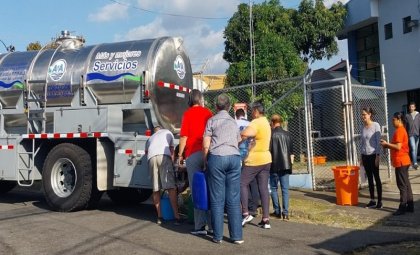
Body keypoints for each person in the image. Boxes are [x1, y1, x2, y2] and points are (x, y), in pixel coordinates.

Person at [203, 94, 243, 244]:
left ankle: (218, 236)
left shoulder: (211, 121)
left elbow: (206, 144)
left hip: (217, 158)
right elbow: (238, 141)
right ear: (228, 106)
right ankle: (237, 237)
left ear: (216, 107)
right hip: (233, 157)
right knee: (233, 198)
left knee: (217, 198)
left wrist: (205, 161)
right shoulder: (233, 122)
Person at [178, 89, 213, 235]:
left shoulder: (187, 114)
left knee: (196, 190)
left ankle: (199, 226)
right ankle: (212, 226)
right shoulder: (208, 112)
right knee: (210, 189)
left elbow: (184, 137)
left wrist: (180, 155)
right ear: (200, 99)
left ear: (190, 100)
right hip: (208, 153)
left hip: (192, 154)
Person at [240, 101, 272, 229]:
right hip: (266, 159)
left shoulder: (256, 122)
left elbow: (245, 134)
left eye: (252, 111)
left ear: (256, 111)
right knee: (263, 188)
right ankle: (266, 219)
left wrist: (240, 138)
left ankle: (245, 213)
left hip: (254, 160)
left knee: (241, 183)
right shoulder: (266, 122)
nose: (252, 113)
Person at [145, 126, 181, 225]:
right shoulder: (167, 132)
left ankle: (159, 217)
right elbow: (172, 150)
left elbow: (146, 153)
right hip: (164, 155)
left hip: (151, 158)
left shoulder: (150, 138)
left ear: (155, 131)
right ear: (161, 129)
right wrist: (173, 165)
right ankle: (176, 217)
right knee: (170, 187)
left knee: (155, 189)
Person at [380, 112, 414, 215]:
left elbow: (398, 147)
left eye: (393, 119)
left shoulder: (400, 130)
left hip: (401, 161)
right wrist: (388, 145)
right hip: (404, 161)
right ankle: (410, 205)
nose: (392, 121)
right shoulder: (401, 130)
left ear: (399, 120)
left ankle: (402, 206)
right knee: (406, 184)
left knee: (402, 185)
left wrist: (386, 144)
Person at [235, 108, 260, 217]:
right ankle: (254, 207)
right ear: (244, 114)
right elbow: (254, 140)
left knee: (240, 182)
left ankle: (243, 206)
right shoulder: (250, 123)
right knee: (252, 181)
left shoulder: (234, 123)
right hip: (250, 154)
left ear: (236, 116)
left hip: (238, 154)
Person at [269, 114, 293, 220]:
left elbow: (269, 151)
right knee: (285, 190)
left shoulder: (270, 135)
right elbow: (291, 153)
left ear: (272, 122)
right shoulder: (288, 134)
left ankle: (277, 211)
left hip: (273, 165)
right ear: (281, 122)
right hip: (286, 165)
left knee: (274, 188)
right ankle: (286, 213)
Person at [360, 107, 383, 209]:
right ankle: (372, 200)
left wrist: (378, 156)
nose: (363, 116)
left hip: (373, 155)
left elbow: (378, 141)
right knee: (369, 178)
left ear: (370, 115)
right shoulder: (363, 127)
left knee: (376, 178)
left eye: (364, 114)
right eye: (362, 115)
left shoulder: (376, 125)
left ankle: (380, 201)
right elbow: (362, 143)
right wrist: (361, 157)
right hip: (365, 156)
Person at [405, 102, 420, 170]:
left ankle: (414, 163)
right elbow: (406, 126)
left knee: (415, 149)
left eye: (412, 107)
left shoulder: (418, 114)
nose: (411, 108)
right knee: (413, 148)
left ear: (415, 107)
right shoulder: (407, 115)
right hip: (410, 134)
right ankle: (415, 163)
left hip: (417, 134)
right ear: (409, 107)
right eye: (410, 107)